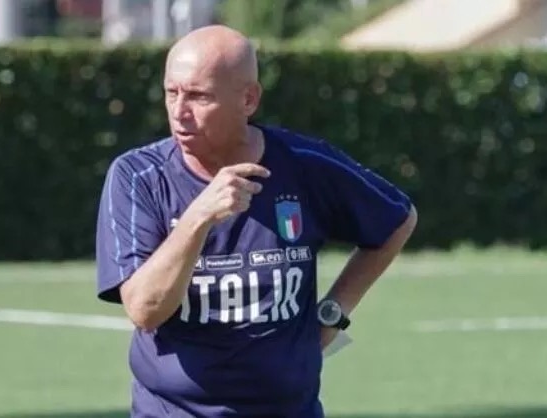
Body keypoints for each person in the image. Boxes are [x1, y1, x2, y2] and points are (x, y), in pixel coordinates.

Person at [95, 24, 417, 418]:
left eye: (198, 96)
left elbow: (397, 219)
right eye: (171, 92)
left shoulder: (304, 163)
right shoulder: (139, 176)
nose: (179, 112)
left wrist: (331, 314)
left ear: (248, 99)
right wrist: (198, 216)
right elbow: (145, 310)